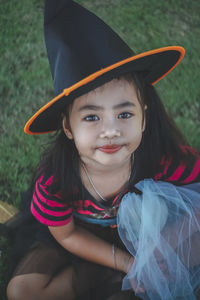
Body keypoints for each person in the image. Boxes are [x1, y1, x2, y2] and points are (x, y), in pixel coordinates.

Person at [6, 1, 200, 300]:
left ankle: (122, 281)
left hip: (147, 238)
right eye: (91, 117)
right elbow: (67, 234)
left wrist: (164, 246)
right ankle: (108, 275)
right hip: (78, 238)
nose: (110, 130)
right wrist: (126, 262)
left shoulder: (163, 158)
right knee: (21, 291)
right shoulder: (55, 179)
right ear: (68, 128)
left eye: (124, 114)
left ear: (144, 117)